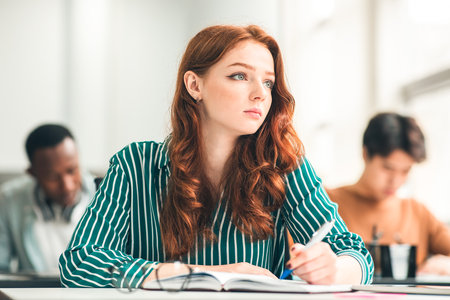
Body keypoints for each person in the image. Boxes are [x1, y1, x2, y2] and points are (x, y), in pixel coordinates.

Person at [59, 24, 373, 288]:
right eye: (239, 76)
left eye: (268, 82)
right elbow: (81, 262)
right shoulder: (136, 165)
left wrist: (336, 268)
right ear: (195, 85)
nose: (260, 93)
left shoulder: (285, 166)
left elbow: (354, 253)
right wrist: (207, 276)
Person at [326, 112, 450, 275]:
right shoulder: (325, 202)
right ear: (365, 154)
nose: (396, 181)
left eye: (405, 170)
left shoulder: (417, 212)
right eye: (388, 168)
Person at [0, 124, 96, 274]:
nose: (67, 186)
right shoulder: (8, 200)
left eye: (72, 170)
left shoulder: (108, 194)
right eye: (52, 177)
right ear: (32, 173)